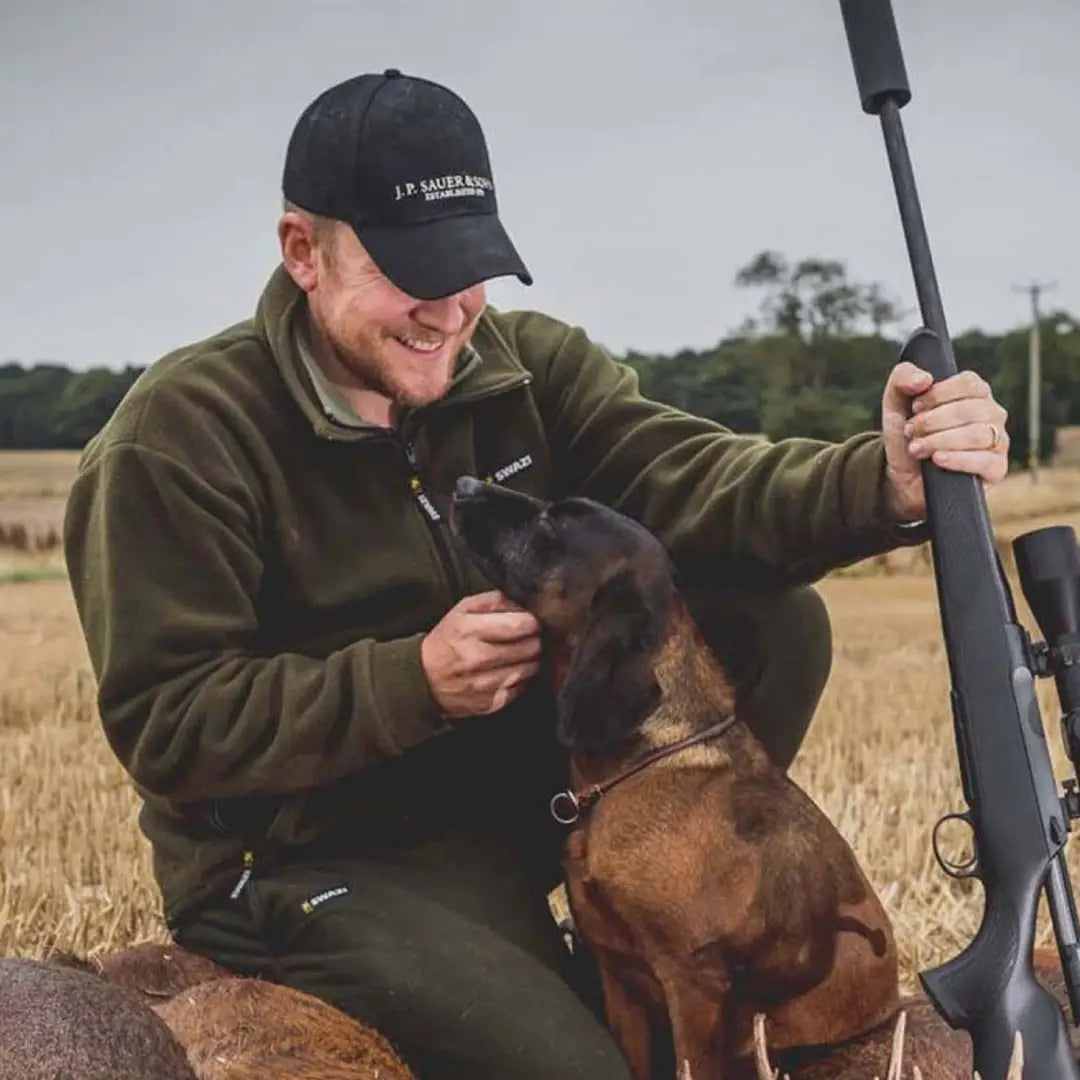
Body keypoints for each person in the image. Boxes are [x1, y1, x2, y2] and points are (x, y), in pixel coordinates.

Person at [62, 69, 1010, 1079]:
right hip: (320, 853)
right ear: (303, 249)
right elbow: (173, 727)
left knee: (774, 622)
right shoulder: (178, 440)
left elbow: (694, 481)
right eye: (409, 272)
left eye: (468, 267)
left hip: (525, 792)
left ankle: (656, 896)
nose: (450, 309)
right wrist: (412, 682)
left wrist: (886, 482)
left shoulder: (525, 367)